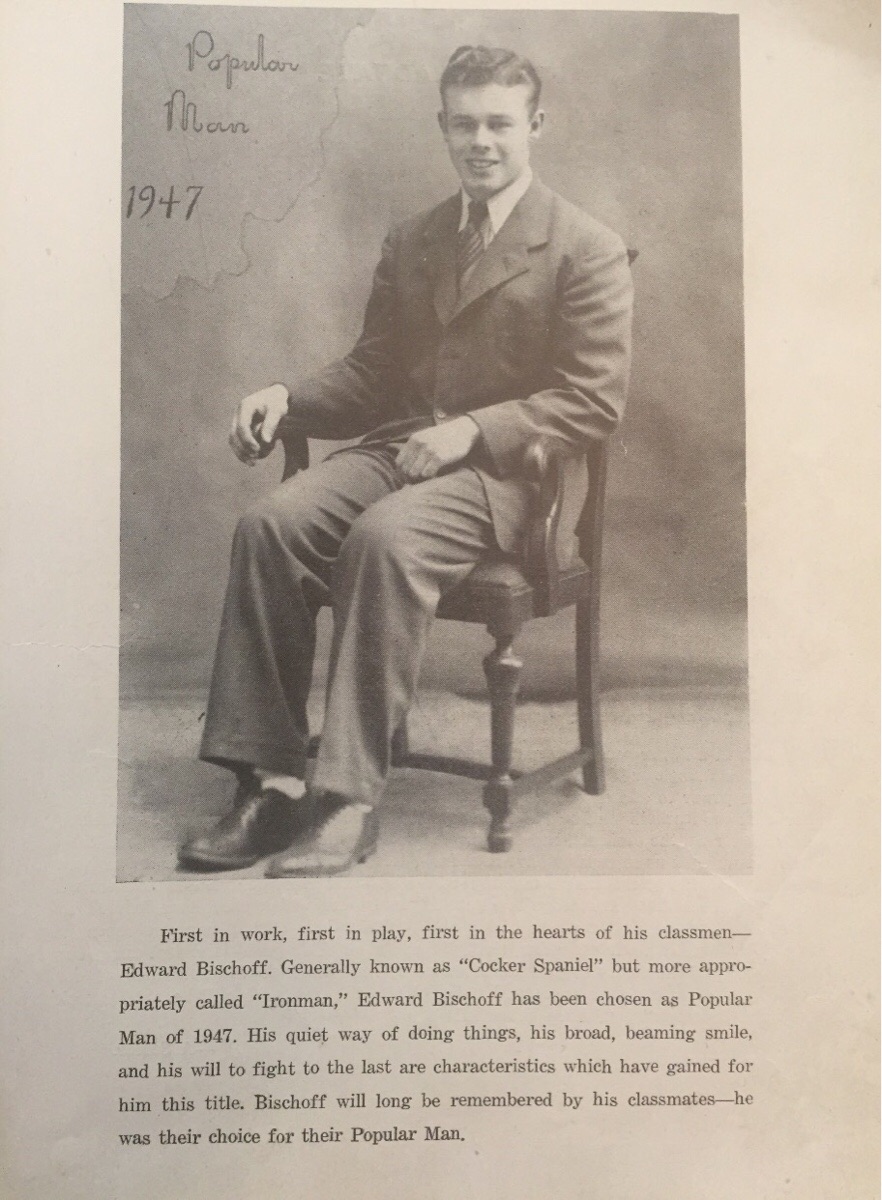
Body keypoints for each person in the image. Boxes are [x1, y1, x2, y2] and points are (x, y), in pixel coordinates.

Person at [179, 45, 633, 878]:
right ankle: (272, 781)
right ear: (443, 128)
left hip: (505, 483)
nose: (482, 141)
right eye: (465, 124)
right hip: (397, 453)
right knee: (269, 525)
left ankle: (347, 799)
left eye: (500, 123)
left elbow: (592, 401)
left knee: (383, 539)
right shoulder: (417, 238)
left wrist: (473, 431)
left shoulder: (584, 247)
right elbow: (372, 374)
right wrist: (287, 396)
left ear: (536, 125)